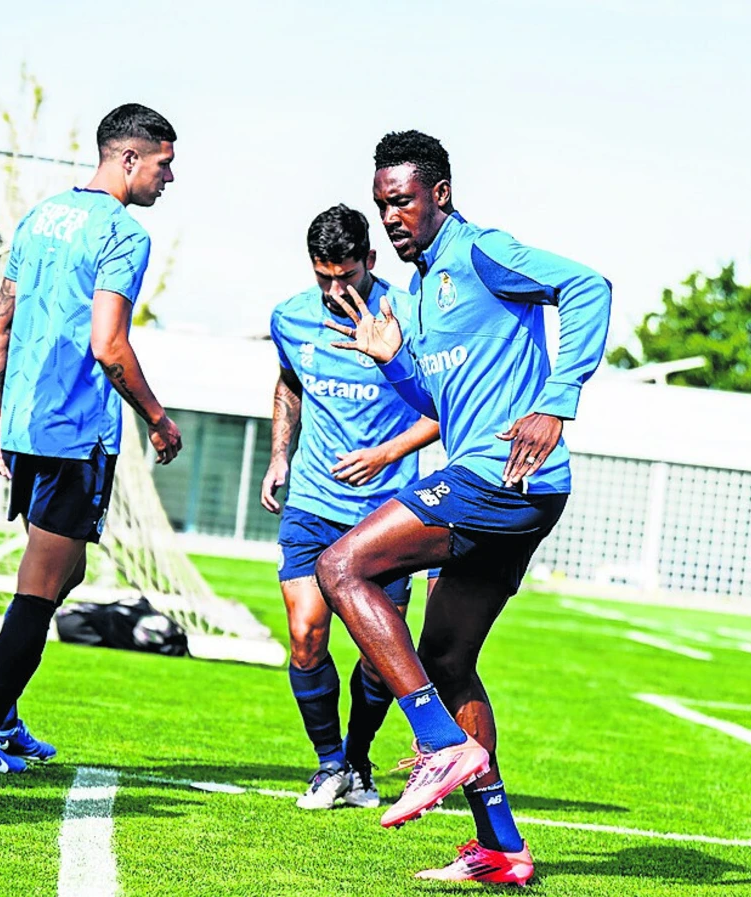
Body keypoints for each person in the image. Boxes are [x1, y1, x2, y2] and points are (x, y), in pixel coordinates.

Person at [318, 130, 611, 885]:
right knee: (447, 656)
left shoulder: (483, 252)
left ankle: (437, 742)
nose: (391, 216)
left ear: (439, 194)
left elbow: (589, 287)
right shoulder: (416, 296)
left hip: (498, 480)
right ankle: (502, 847)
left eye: (403, 201)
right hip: (511, 486)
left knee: (341, 563)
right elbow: (439, 402)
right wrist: (394, 360)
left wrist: (557, 401)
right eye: (383, 204)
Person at [0, 103, 181, 774]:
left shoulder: (40, 216)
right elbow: (108, 345)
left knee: (64, 569)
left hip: (25, 424)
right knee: (40, 586)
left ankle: (8, 719)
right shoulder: (122, 235)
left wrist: (0, 410)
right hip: (73, 433)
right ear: (129, 158)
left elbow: (1, 321)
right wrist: (158, 418)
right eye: (165, 164)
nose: (170, 179)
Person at [262, 204, 439, 810]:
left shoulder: (409, 316)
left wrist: (384, 453)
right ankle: (329, 765)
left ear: (370, 260)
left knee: (377, 648)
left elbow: (442, 407)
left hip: (385, 510)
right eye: (323, 277)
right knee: (306, 634)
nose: (336, 290)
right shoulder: (290, 317)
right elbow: (289, 382)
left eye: (347, 275)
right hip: (312, 500)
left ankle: (360, 763)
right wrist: (279, 454)